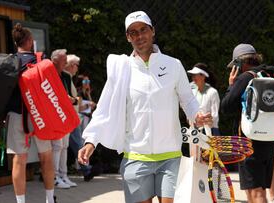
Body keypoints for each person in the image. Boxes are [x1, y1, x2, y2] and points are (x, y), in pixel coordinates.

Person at [78, 11, 211, 203]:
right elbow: (105, 107)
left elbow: (188, 100)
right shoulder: (122, 68)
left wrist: (196, 115)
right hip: (135, 157)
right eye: (133, 32)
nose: (139, 36)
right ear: (128, 37)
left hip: (170, 157)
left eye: (143, 30)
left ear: (152, 31)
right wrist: (91, 140)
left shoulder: (173, 65)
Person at [221, 43, 274, 203]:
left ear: (240, 63)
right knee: (258, 191)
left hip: (249, 140)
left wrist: (231, 86)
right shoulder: (269, 76)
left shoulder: (245, 78)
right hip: (269, 139)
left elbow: (226, 106)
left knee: (255, 192)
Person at [6, 23, 55, 203]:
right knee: (46, 157)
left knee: (19, 159)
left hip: (16, 114)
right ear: (29, 42)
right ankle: (49, 199)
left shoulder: (8, 62)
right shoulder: (40, 62)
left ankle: (21, 202)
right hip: (39, 115)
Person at [63, 55, 94, 181]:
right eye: (76, 65)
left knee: (69, 146)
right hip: (72, 117)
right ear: (71, 65)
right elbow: (70, 100)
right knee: (75, 145)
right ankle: (86, 169)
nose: (77, 68)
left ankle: (84, 170)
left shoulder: (69, 78)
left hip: (73, 117)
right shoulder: (66, 78)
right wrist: (83, 103)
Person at [50, 49, 77, 188]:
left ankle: (64, 175)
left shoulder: (66, 76)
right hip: (55, 115)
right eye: (63, 60)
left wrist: (72, 100)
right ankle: (54, 177)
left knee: (64, 146)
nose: (66, 62)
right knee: (57, 146)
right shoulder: (49, 74)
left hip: (66, 114)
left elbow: (69, 94)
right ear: (54, 60)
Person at [187, 63, 221, 135]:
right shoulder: (192, 92)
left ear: (203, 76)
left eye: (195, 75)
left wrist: (204, 121)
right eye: (192, 75)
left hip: (210, 131)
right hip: (194, 131)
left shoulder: (213, 92)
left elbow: (214, 116)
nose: (193, 78)